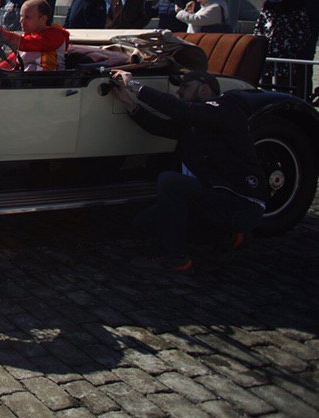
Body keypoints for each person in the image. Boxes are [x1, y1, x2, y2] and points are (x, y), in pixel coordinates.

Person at [109, 69, 266, 273]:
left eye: (185, 87)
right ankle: (226, 235)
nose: (179, 91)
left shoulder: (225, 108)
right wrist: (128, 103)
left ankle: (176, 258)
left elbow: (179, 109)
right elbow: (160, 127)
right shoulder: (194, 121)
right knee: (143, 224)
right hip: (215, 195)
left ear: (203, 89)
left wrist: (134, 86)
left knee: (170, 182)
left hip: (240, 200)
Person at [254, 0, 311, 92]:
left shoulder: (296, 6)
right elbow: (259, 26)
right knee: (265, 81)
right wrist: (258, 42)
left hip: (285, 51)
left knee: (283, 82)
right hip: (267, 50)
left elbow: (304, 30)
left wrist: (293, 46)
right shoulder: (268, 6)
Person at [0, 0, 70, 71]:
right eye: (21, 16)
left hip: (49, 81)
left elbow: (27, 44)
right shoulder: (29, 35)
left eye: (27, 17)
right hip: (28, 80)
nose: (21, 21)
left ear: (43, 19)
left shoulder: (55, 35)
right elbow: (13, 60)